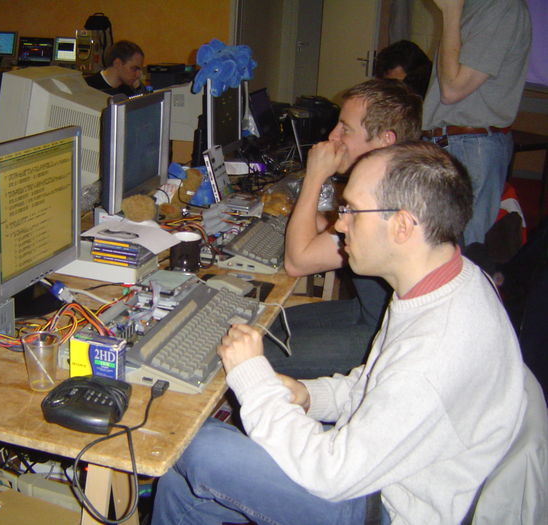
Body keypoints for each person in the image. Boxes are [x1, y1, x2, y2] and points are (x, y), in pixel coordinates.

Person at [151, 141, 528, 525]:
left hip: (391, 506)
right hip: (388, 465)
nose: (338, 223)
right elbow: (379, 384)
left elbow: (330, 473)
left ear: (402, 226)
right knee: (185, 480)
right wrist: (311, 397)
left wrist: (253, 378)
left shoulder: (435, 349)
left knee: (194, 445)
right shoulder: (444, 280)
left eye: (351, 211)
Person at [264, 79, 421, 378]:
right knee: (264, 323)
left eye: (345, 129)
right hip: (370, 312)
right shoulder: (401, 176)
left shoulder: (389, 200)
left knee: (256, 353)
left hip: (385, 334)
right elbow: (336, 226)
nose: (333, 136)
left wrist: (315, 176)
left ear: (385, 140)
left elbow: (298, 263)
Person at [422, 0, 531, 246]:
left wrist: (451, 12)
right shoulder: (474, 8)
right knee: (437, 246)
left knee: (464, 252)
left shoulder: (501, 8)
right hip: (455, 142)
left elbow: (453, 89)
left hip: (471, 146)